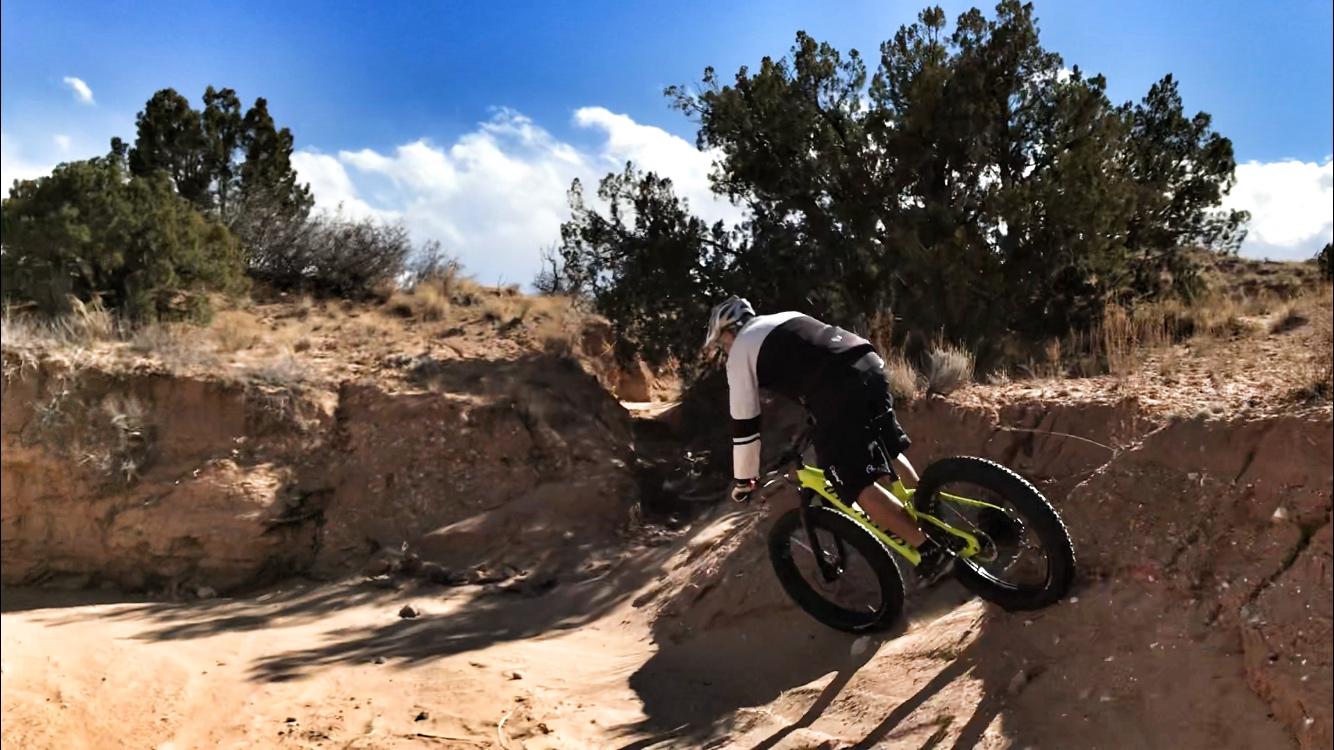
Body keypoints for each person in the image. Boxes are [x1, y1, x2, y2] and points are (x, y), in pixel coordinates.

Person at [703, 296, 951, 583]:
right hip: (868, 364)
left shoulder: (741, 350)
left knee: (853, 481)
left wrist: (745, 479)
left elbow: (745, 422)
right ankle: (938, 525)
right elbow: (815, 362)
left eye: (722, 343)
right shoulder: (786, 316)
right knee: (889, 448)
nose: (725, 350)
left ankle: (932, 551)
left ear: (731, 331)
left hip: (836, 387)